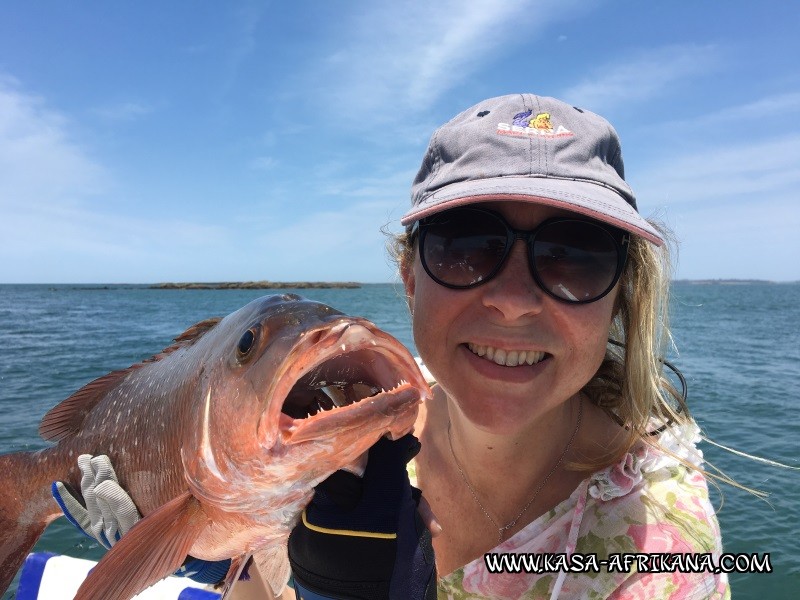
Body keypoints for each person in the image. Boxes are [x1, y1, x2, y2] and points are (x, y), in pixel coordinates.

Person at [55, 93, 730, 599]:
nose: (515, 298)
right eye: (468, 246)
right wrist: (200, 553)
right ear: (411, 281)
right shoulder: (345, 435)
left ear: (619, 296)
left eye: (574, 256)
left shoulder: (657, 554)